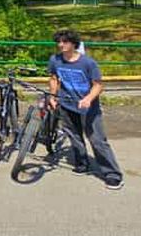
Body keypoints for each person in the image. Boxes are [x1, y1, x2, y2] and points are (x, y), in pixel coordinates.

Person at [48, 28, 124, 190]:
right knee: (74, 136)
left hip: (88, 107)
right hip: (67, 104)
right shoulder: (55, 60)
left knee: (97, 140)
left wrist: (88, 99)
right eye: (59, 42)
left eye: (65, 42)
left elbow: (98, 85)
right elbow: (54, 78)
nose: (61, 45)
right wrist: (52, 97)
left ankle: (112, 174)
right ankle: (82, 163)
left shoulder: (88, 63)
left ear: (74, 44)